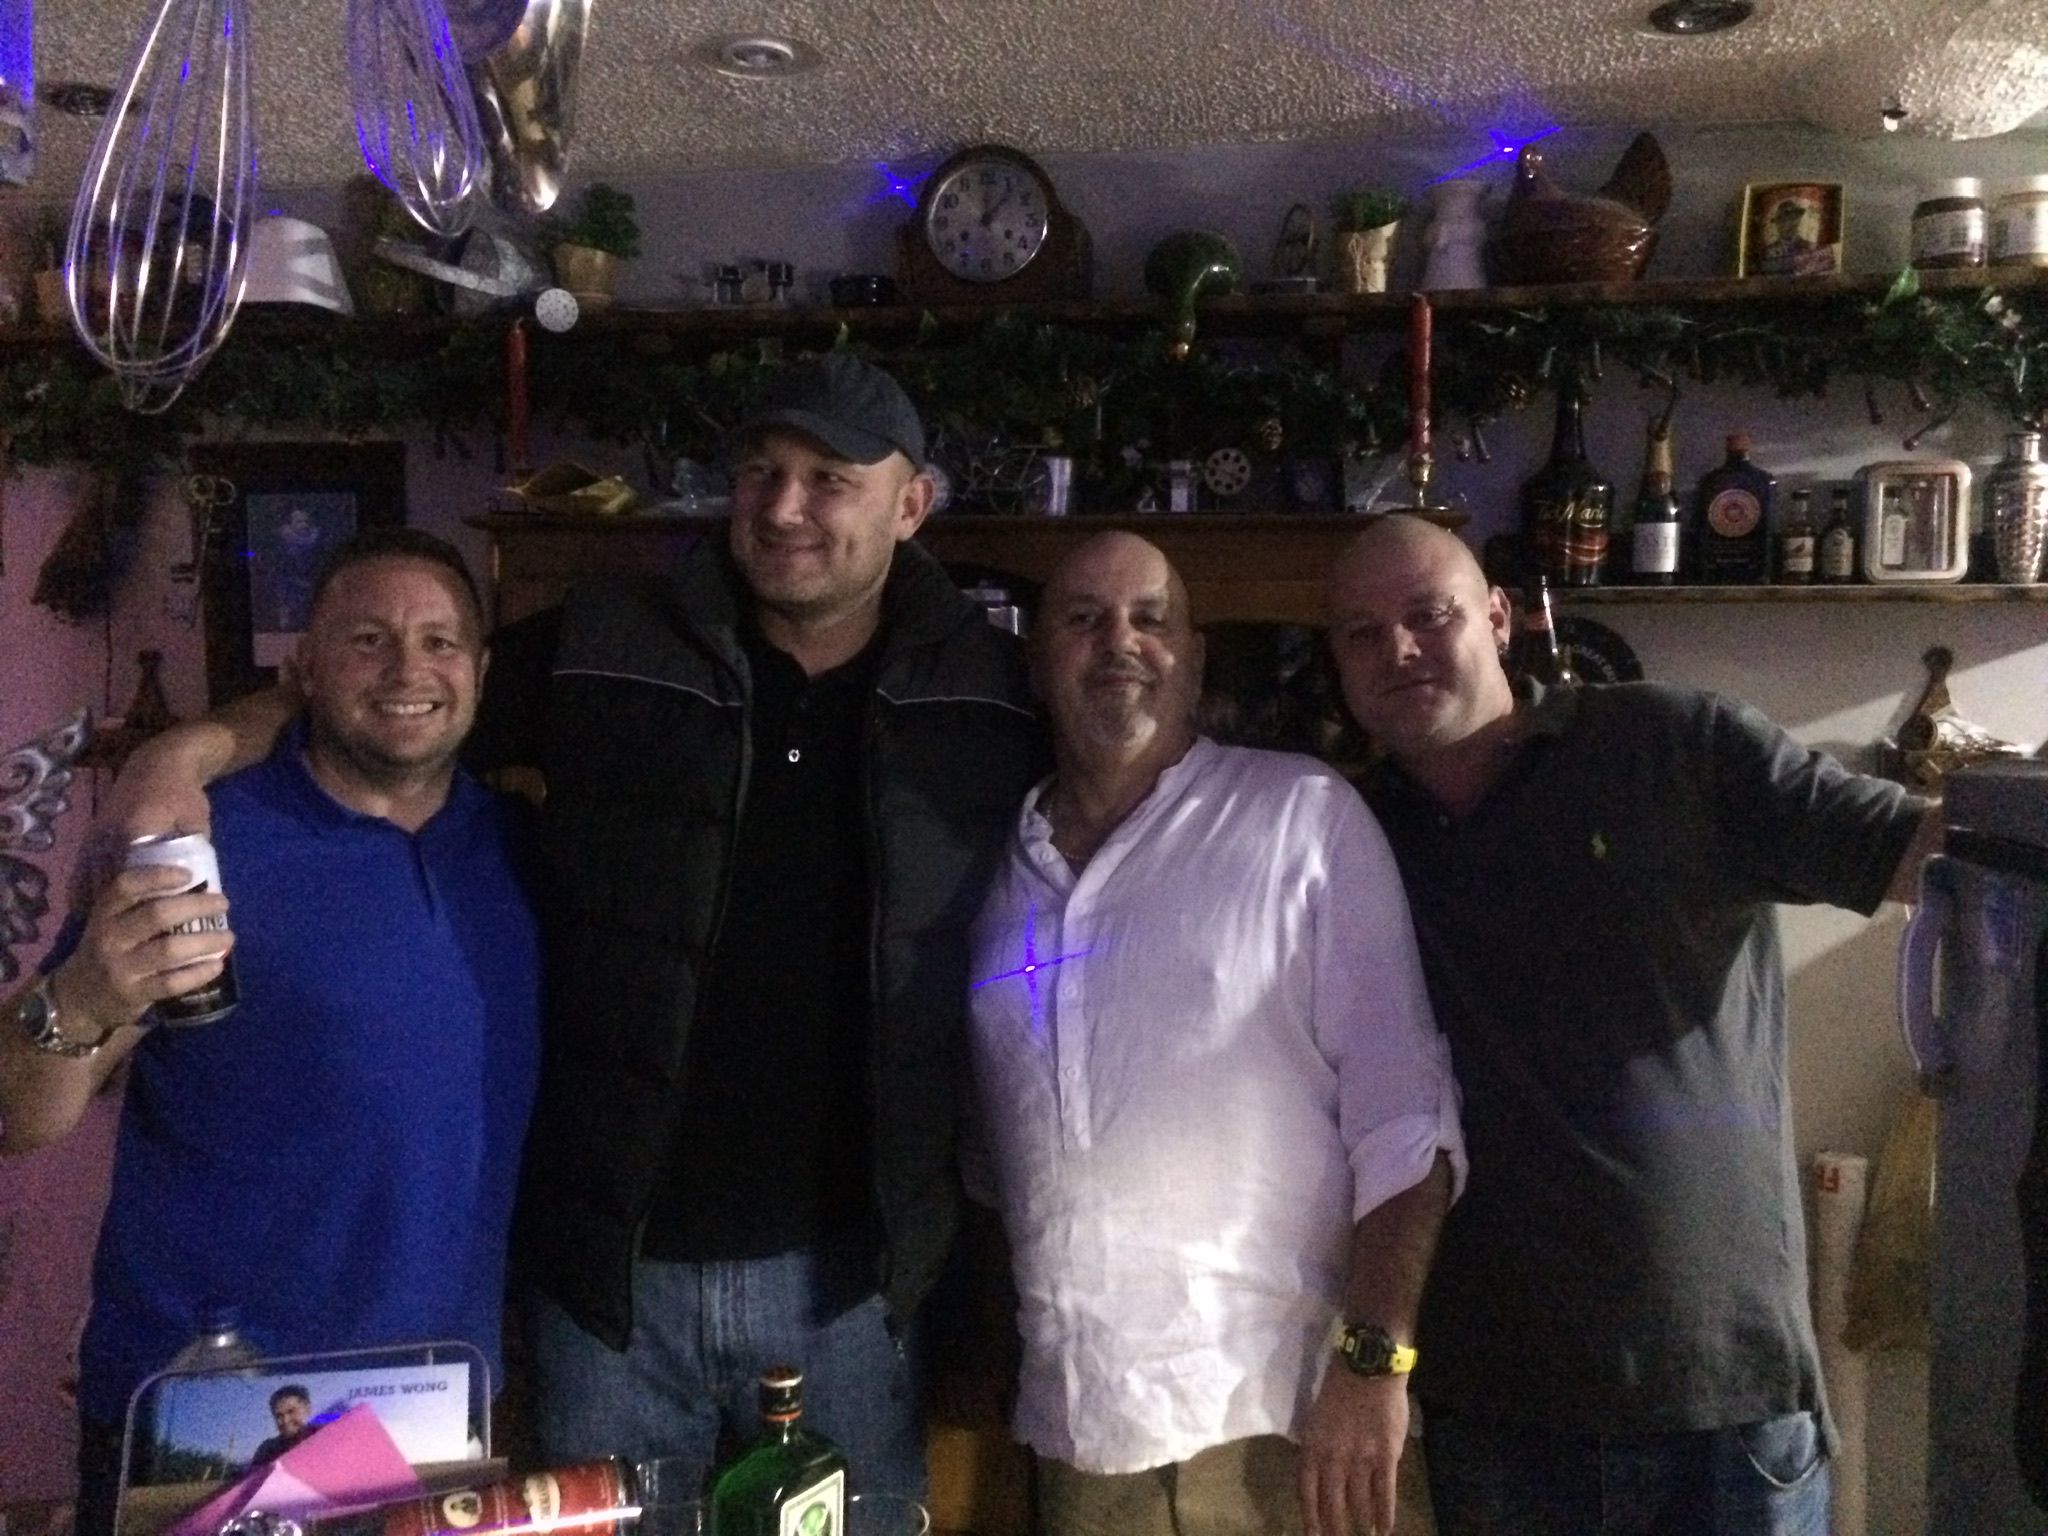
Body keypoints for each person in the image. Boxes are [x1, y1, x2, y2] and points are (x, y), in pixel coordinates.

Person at [108, 353, 1043, 1501]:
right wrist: (188, 751)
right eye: (761, 470)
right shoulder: (608, 639)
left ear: (911, 505)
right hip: (609, 1286)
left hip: (855, 1285)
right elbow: (386, 704)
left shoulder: (991, 689)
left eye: (828, 479)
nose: (783, 506)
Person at [1324, 514, 1941, 1536]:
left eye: (1429, 615)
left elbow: (1917, 850)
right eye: (1361, 632)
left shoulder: (1673, 744)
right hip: (1494, 1407)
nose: (1398, 648)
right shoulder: (1344, 834)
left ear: (1497, 617)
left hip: (1722, 1388)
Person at [0, 528, 541, 1536]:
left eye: (439, 642)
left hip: (433, 1404)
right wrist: (81, 997)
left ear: (479, 670)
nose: (409, 670)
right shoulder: (201, 841)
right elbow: (17, 1116)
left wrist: (181, 744)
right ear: (303, 671)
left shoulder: (520, 848)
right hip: (212, 1407)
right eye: (367, 640)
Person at [968, 531, 1463, 1536]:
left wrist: (1374, 1367)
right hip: (1083, 1437)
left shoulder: (1300, 816)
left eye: (1150, 620)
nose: (1119, 642)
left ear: (1193, 663)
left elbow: (1406, 1122)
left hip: (1296, 1433)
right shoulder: (989, 867)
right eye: (1083, 620)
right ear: (1037, 660)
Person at [250, 1385, 315, 1466]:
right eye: (279, 1416)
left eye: (291, 1411)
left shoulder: (323, 1433)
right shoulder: (267, 1451)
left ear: (307, 1409)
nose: (285, 1420)